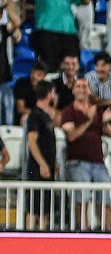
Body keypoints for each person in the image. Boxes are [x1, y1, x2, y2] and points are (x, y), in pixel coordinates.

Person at [61, 77, 111, 230]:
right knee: (81, 201)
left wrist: (104, 121)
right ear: (73, 90)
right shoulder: (68, 112)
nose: (82, 90)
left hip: (99, 162)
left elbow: (109, 133)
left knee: (105, 201)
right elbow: (71, 136)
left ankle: (108, 234)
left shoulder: (96, 110)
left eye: (85, 86)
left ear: (89, 91)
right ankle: (83, 234)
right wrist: (88, 120)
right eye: (78, 86)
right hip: (77, 163)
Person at [25, 80, 57, 230]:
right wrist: (42, 163)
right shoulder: (35, 115)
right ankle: (29, 235)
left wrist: (53, 162)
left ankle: (43, 233)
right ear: (49, 94)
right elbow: (32, 141)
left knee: (45, 205)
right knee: (34, 204)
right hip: (37, 168)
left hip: (47, 166)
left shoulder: (45, 115)